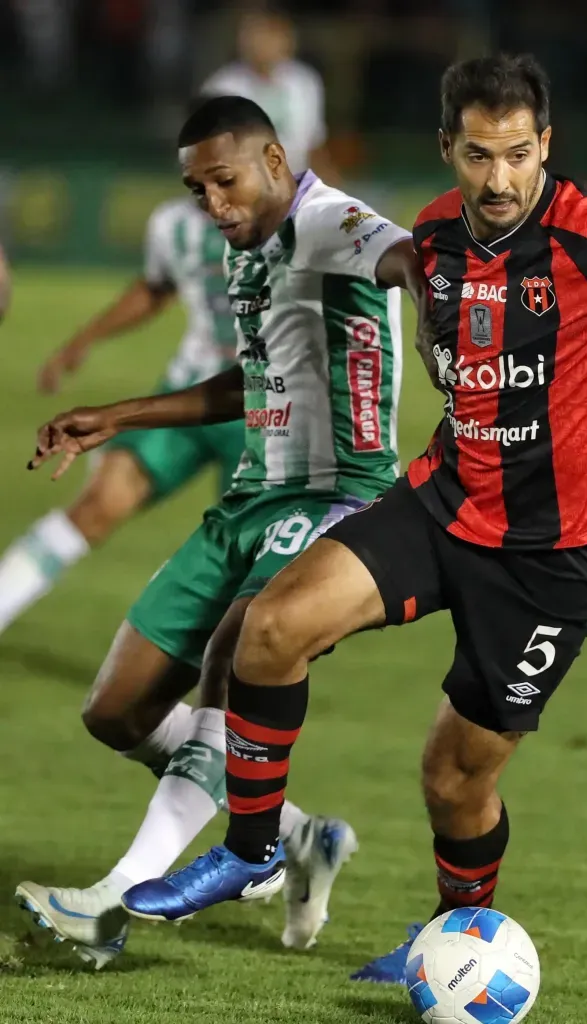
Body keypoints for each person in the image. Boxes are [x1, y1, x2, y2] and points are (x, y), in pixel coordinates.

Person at [90, 53, 587, 983]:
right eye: (476, 155)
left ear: (546, 146)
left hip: (551, 555)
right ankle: (254, 846)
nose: (498, 179)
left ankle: (455, 940)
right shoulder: (432, 237)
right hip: (440, 502)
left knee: (455, 780)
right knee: (270, 626)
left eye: (516, 155)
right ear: (446, 149)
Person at [17, 95, 425, 969]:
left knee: (234, 665)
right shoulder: (248, 253)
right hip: (249, 496)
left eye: (225, 181)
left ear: (275, 161)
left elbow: (405, 255)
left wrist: (439, 299)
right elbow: (249, 380)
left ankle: (114, 904)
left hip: (336, 497)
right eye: (197, 190)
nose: (213, 205)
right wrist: (121, 416)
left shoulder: (328, 221)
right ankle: (294, 833)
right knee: (117, 711)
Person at [0, 199, 244, 636]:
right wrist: (83, 340)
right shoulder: (173, 224)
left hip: (267, 413)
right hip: (187, 395)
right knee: (97, 504)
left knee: (248, 562)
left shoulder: (294, 219)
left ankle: (228, 693)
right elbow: (156, 287)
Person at [200, 3, 337, 182]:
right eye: (255, 36)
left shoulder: (304, 82)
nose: (263, 44)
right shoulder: (222, 87)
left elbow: (313, 144)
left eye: (272, 36)